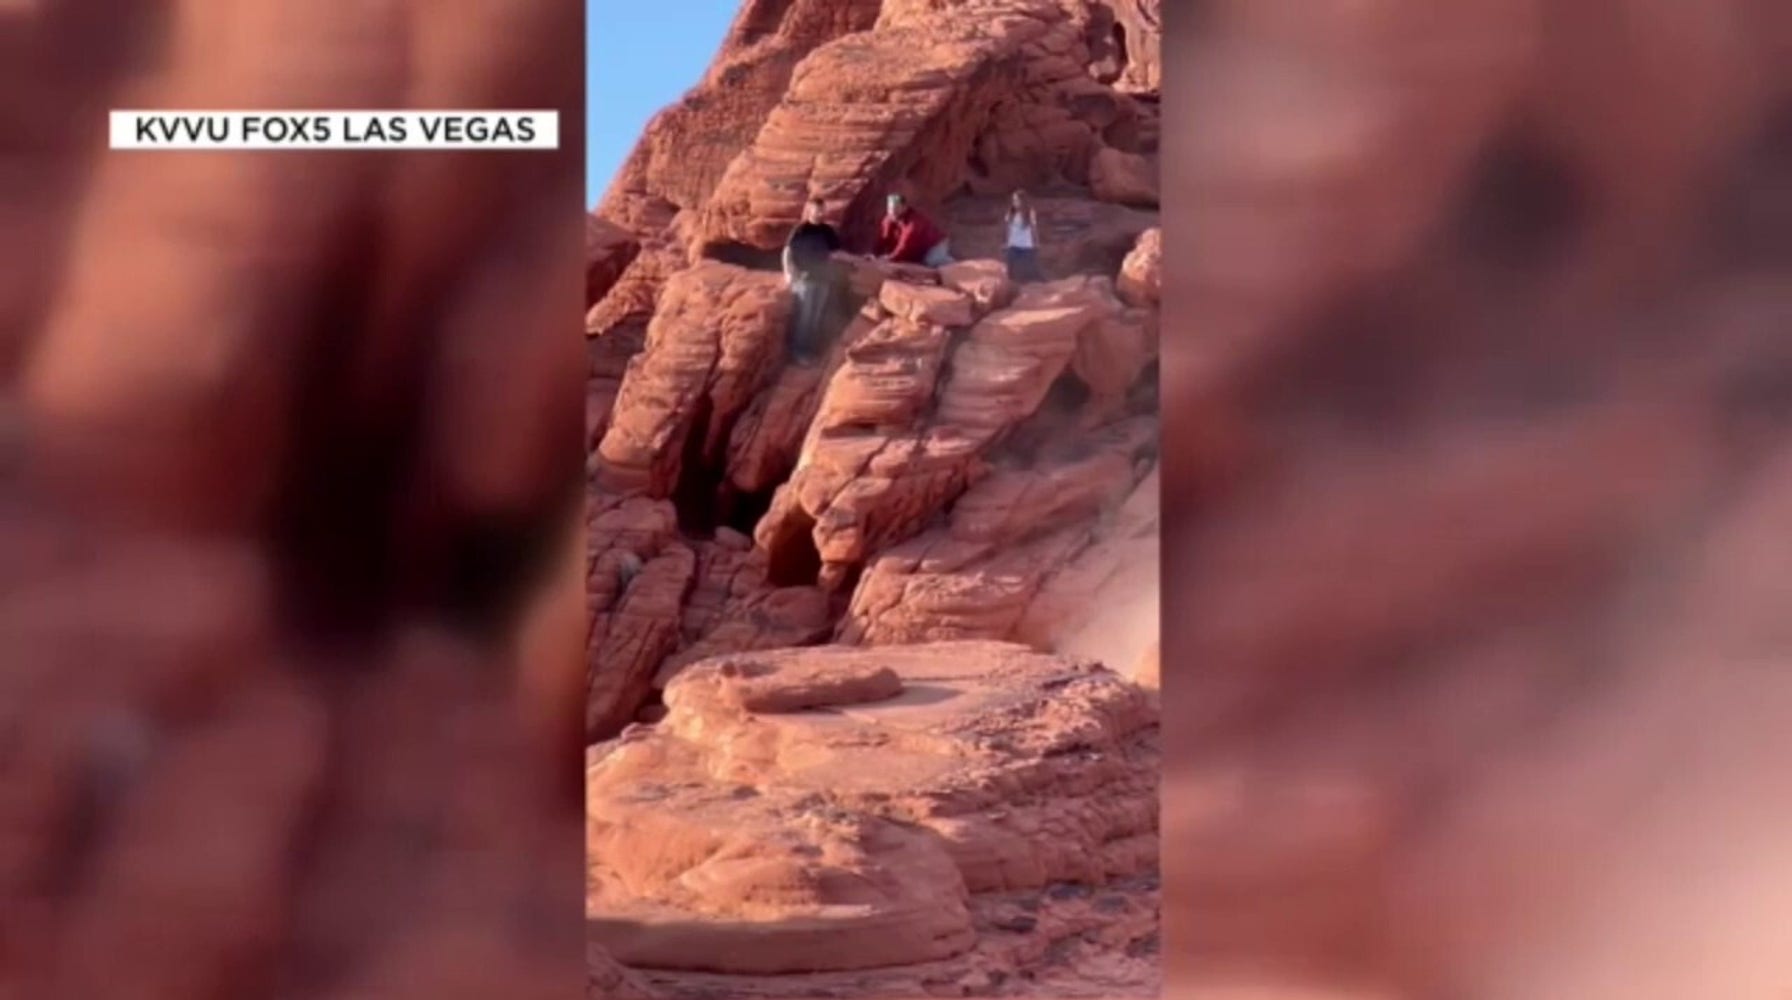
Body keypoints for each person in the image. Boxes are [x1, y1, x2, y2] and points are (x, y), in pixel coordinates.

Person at [781, 196, 846, 364]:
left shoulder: (827, 230)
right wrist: (788, 273)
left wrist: (859, 260)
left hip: (823, 279)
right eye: (818, 209)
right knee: (805, 317)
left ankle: (809, 351)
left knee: (816, 317)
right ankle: (798, 352)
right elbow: (787, 252)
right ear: (809, 210)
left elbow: (836, 252)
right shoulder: (801, 230)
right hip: (805, 280)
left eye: (823, 209)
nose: (821, 213)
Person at [873, 193, 952, 267]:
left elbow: (905, 245)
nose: (892, 211)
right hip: (919, 247)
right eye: (890, 208)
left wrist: (890, 258)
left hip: (935, 245)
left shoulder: (913, 223)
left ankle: (954, 265)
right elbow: (883, 237)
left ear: (904, 207)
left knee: (929, 263)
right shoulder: (889, 219)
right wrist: (874, 254)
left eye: (896, 208)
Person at [1004, 189, 1044, 282]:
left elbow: (1034, 229)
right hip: (1013, 245)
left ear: (1022, 201)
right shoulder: (1010, 213)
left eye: (1016, 200)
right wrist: (1006, 242)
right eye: (1013, 200)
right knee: (1010, 269)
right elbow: (1008, 229)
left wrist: (1036, 242)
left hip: (1026, 246)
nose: (1014, 202)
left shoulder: (1030, 212)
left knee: (1031, 269)